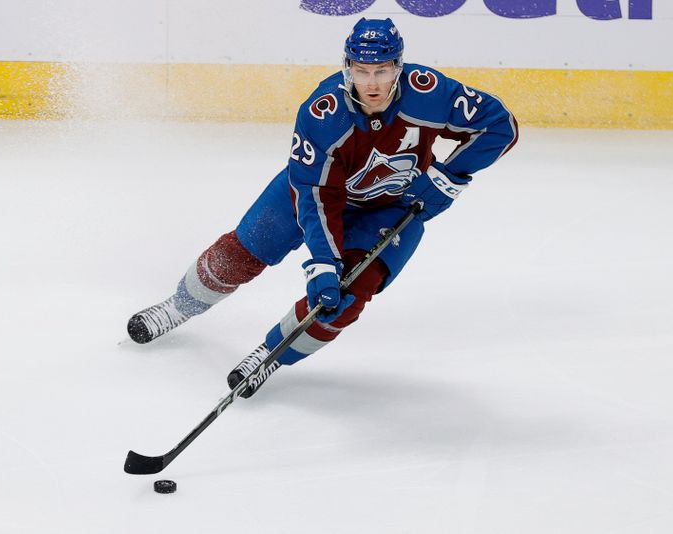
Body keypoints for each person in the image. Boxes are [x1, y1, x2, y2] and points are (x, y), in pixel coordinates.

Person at [127, 17, 519, 398]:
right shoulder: (323, 113)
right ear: (347, 66)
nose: (372, 83)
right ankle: (178, 307)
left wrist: (449, 176)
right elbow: (315, 197)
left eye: (382, 71)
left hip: (390, 208)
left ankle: (271, 356)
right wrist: (323, 263)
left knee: (347, 295)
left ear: (399, 67)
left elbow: (501, 125)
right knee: (245, 250)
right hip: (311, 196)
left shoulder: (429, 91)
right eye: (362, 70)